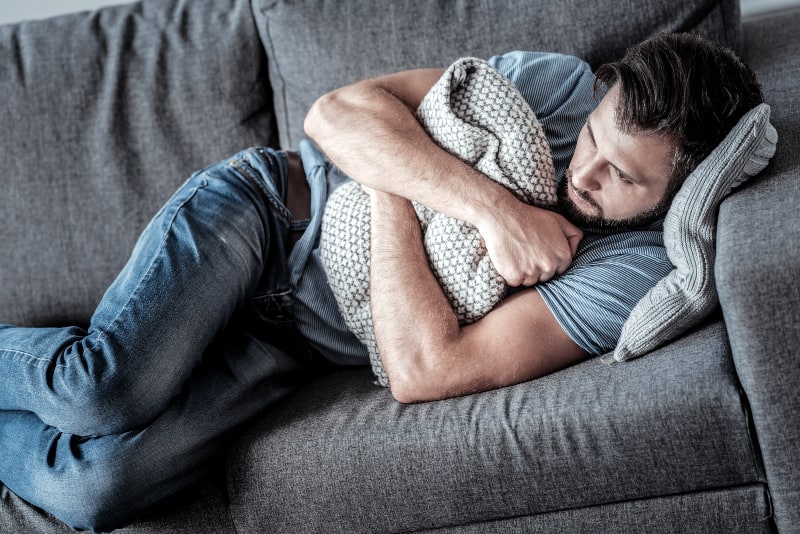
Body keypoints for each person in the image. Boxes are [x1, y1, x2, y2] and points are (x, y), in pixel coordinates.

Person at [0, 32, 763, 531]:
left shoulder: (629, 269)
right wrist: (491, 209)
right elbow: (335, 117)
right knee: (100, 391)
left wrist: (389, 182)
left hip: (295, 344)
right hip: (267, 216)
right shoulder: (557, 90)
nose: (582, 175)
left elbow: (425, 368)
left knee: (91, 492)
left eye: (622, 177)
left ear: (681, 190)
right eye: (595, 136)